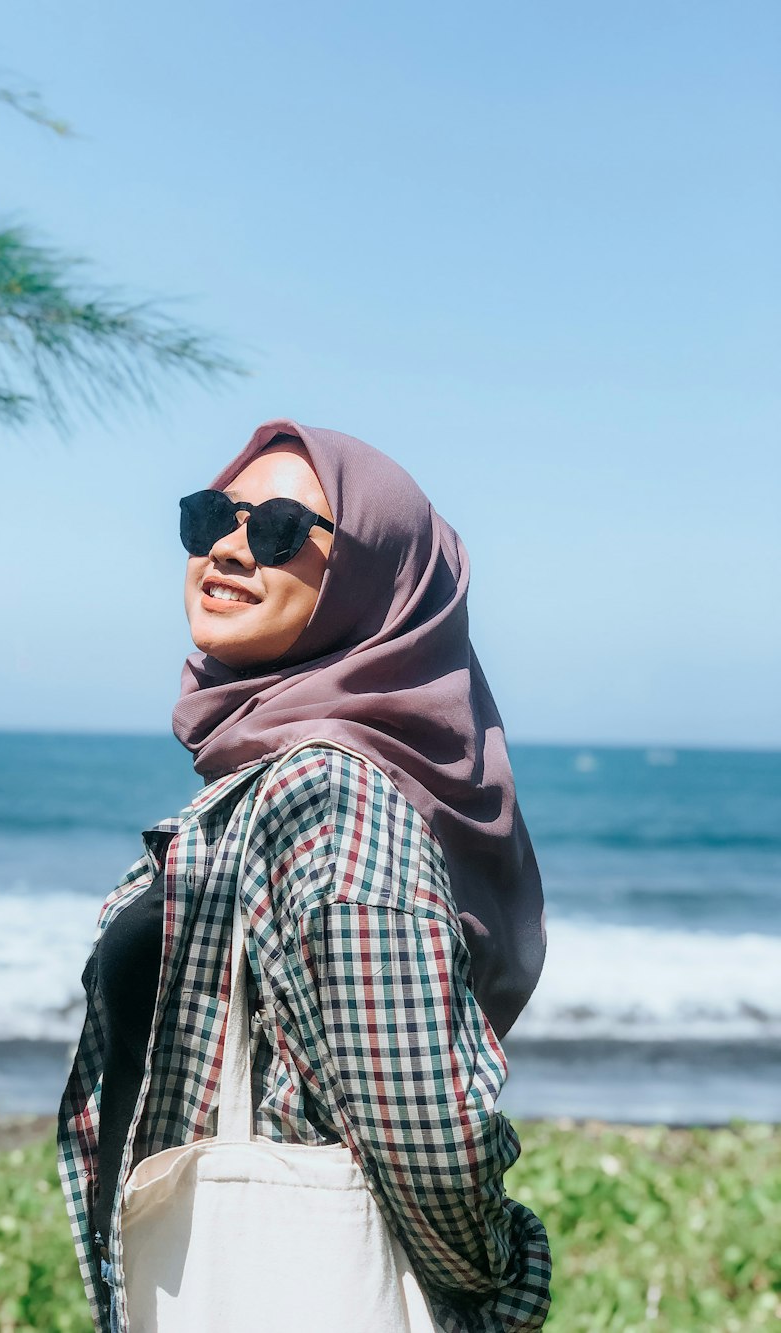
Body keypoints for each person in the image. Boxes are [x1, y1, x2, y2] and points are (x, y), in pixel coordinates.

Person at [58, 419, 551, 1332]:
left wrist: (502, 1274)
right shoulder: (263, 781)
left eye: (281, 528)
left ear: (379, 577)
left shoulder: (327, 789)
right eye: (212, 517)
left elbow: (421, 1129)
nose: (231, 548)